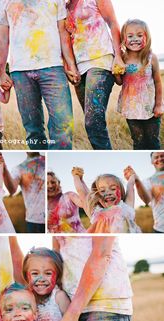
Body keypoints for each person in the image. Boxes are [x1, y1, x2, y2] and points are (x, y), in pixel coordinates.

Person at [0, 0, 79, 150]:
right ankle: (41, 166)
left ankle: (55, 165)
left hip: (53, 67)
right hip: (20, 71)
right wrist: (1, 71)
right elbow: (2, 38)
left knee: (63, 125)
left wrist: (70, 63)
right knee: (33, 129)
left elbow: (62, 31)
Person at [66, 0, 124, 150]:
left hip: (101, 60)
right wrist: (69, 65)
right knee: (92, 123)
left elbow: (113, 23)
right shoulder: (62, 5)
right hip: (79, 68)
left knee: (93, 122)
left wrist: (118, 55)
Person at [116, 19, 163, 149]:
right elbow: (120, 82)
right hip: (131, 108)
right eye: (130, 36)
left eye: (139, 35)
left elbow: (158, 82)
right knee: (138, 141)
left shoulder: (150, 57)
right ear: (124, 38)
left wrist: (159, 105)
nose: (134, 39)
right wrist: (116, 73)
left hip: (150, 107)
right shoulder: (123, 58)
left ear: (146, 37)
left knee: (153, 141)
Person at [72, 167, 141, 233]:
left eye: (113, 189)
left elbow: (130, 186)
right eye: (102, 191)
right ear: (98, 195)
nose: (108, 193)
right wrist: (76, 176)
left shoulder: (126, 207)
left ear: (121, 191)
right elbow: (81, 192)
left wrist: (132, 176)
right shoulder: (96, 213)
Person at [0, 152, 45, 233]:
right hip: (34, 221)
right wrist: (4, 167)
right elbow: (12, 190)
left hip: (53, 217)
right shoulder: (19, 168)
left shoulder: (47, 159)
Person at [124, 152, 164, 233]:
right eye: (156, 157)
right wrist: (136, 180)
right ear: (152, 161)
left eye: (162, 156)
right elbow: (147, 200)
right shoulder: (148, 181)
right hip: (160, 229)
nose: (160, 159)